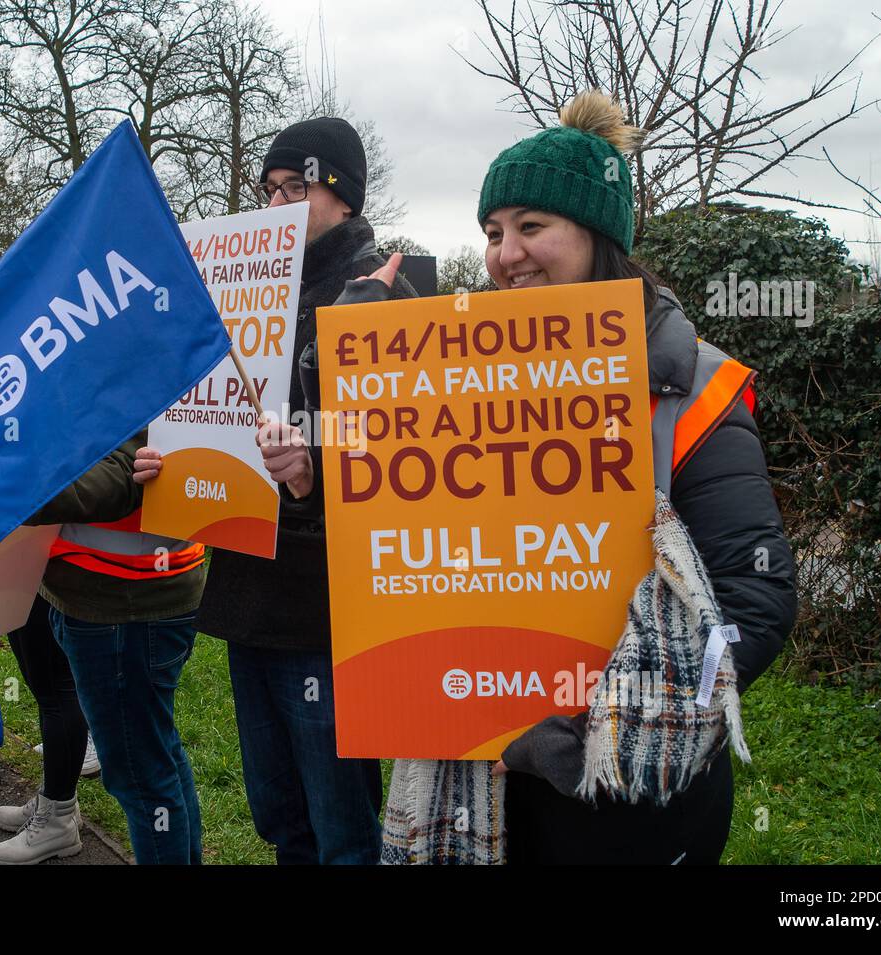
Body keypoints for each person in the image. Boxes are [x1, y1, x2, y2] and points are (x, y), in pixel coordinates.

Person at [310, 91, 798, 864]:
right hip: (477, 784)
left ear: (599, 235)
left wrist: (581, 734)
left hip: (628, 802)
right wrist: (355, 362)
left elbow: (751, 601)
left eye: (532, 227)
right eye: (494, 233)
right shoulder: (459, 382)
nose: (506, 254)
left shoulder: (694, 389)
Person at [0, 194, 205, 865]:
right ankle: (62, 809)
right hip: (89, 589)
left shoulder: (163, 340)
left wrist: (1, 483)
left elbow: (118, 478)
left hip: (130, 600)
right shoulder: (115, 324)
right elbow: (16, 333)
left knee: (144, 776)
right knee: (148, 764)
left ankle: (74, 820)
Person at [133, 117, 418, 864]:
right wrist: (171, 458)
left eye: (300, 187)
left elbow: (404, 451)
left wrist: (314, 465)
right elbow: (211, 401)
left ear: (345, 198)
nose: (280, 204)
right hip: (245, 584)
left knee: (341, 829)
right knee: (280, 817)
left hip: (323, 602)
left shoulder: (388, 288)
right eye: (270, 189)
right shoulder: (247, 282)